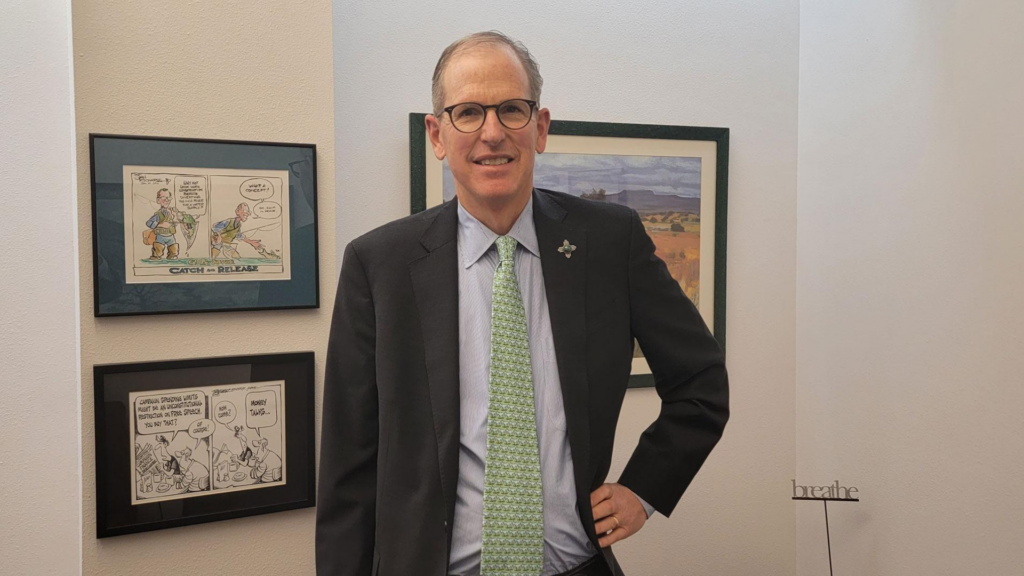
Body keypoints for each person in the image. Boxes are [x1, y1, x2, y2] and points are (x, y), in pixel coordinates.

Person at [316, 31, 728, 576]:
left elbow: (701, 382)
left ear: (541, 127)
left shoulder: (610, 242)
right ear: (437, 134)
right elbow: (348, 466)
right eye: (468, 113)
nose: (492, 133)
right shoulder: (379, 265)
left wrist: (645, 489)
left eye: (511, 109)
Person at [145, 188, 180, 260]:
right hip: (160, 236)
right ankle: (156, 256)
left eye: (168, 198)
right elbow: (148, 223)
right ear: (158, 200)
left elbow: (175, 224)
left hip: (171, 236)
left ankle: (173, 255)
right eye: (163, 198)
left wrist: (175, 217)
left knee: (173, 248)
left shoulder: (173, 212)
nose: (166, 200)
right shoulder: (158, 214)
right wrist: (160, 225)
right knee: (158, 249)